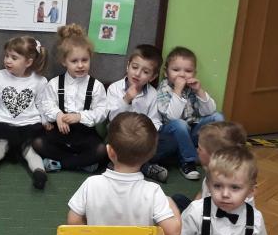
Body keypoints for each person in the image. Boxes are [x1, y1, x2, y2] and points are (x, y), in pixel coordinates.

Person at [66, 112, 181, 235]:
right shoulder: (153, 192)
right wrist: (171, 204)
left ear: (110, 151)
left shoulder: (91, 184)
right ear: (151, 155)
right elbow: (173, 232)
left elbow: (73, 221)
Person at [0, 36, 49, 189]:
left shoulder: (40, 81)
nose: (8, 60)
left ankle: (39, 173)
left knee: (30, 151)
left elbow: (41, 104)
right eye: (6, 56)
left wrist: (45, 121)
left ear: (28, 62)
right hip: (3, 125)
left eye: (14, 57)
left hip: (29, 127)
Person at [33, 24, 107, 172]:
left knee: (102, 150)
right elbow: (46, 104)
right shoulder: (54, 83)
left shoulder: (96, 86)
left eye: (84, 60)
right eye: (74, 61)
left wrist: (80, 117)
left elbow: (102, 111)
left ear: (90, 59)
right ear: (64, 61)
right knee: (37, 143)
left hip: (84, 134)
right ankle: (81, 163)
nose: (80, 65)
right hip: (60, 132)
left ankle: (61, 164)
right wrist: (58, 115)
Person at [156, 47, 224, 180]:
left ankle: (212, 155)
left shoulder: (191, 88)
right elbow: (172, 117)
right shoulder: (163, 89)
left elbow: (209, 111)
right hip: (171, 135)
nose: (182, 75)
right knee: (180, 124)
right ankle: (188, 161)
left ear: (194, 73)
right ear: (166, 72)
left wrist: (199, 91)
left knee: (218, 117)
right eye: (176, 70)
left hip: (190, 132)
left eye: (188, 71)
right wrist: (177, 91)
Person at [106, 44, 167, 183]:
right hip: (120, 135)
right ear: (128, 66)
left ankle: (125, 165)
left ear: (152, 77)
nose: (137, 74)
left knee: (169, 141)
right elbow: (112, 119)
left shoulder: (152, 94)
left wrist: (149, 133)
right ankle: (144, 167)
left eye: (145, 72)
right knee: (110, 138)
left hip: (142, 139)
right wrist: (126, 99)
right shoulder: (114, 88)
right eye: (134, 67)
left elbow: (155, 120)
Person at [171, 121, 248, 213]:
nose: (197, 150)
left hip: (209, 218)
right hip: (202, 209)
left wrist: (188, 216)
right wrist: (192, 208)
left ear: (214, 156)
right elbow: (202, 193)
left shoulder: (225, 188)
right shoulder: (213, 171)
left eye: (200, 148)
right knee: (177, 199)